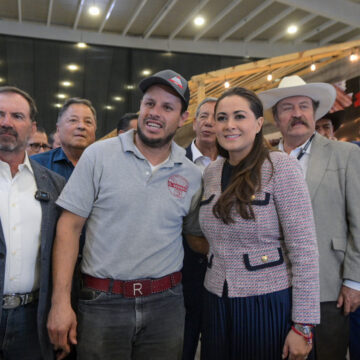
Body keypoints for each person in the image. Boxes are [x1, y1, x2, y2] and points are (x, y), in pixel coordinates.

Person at [47, 69, 205, 360]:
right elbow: (68, 227)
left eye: (167, 107)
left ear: (183, 119)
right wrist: (60, 302)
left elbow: (195, 235)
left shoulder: (191, 174)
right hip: (102, 302)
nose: (155, 113)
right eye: (149, 103)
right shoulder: (99, 156)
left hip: (166, 304)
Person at [199, 87, 320, 360]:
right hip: (216, 299)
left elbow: (304, 251)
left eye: (239, 116)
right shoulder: (211, 172)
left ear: (258, 124)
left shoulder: (280, 167)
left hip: (267, 301)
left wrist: (303, 325)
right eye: (222, 118)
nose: (230, 125)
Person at [259, 75, 360, 360]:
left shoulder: (346, 155)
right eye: (287, 108)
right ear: (276, 119)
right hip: (272, 288)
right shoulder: (261, 163)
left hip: (330, 284)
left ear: (314, 115)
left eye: (304, 106)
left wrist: (354, 280)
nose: (297, 114)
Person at [0, 86, 65, 359]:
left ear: (32, 127)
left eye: (17, 116)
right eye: (0, 114)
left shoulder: (54, 185)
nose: (6, 122)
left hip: (33, 321)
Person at [182, 97, 218, 360]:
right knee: (181, 346)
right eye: (203, 116)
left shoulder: (236, 164)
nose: (209, 122)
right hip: (181, 273)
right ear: (194, 123)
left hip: (224, 274)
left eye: (217, 117)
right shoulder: (176, 163)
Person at [31, 98, 96, 181]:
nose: (81, 126)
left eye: (88, 122)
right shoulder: (37, 164)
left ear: (95, 130)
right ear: (58, 129)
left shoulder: (105, 167)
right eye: (73, 120)